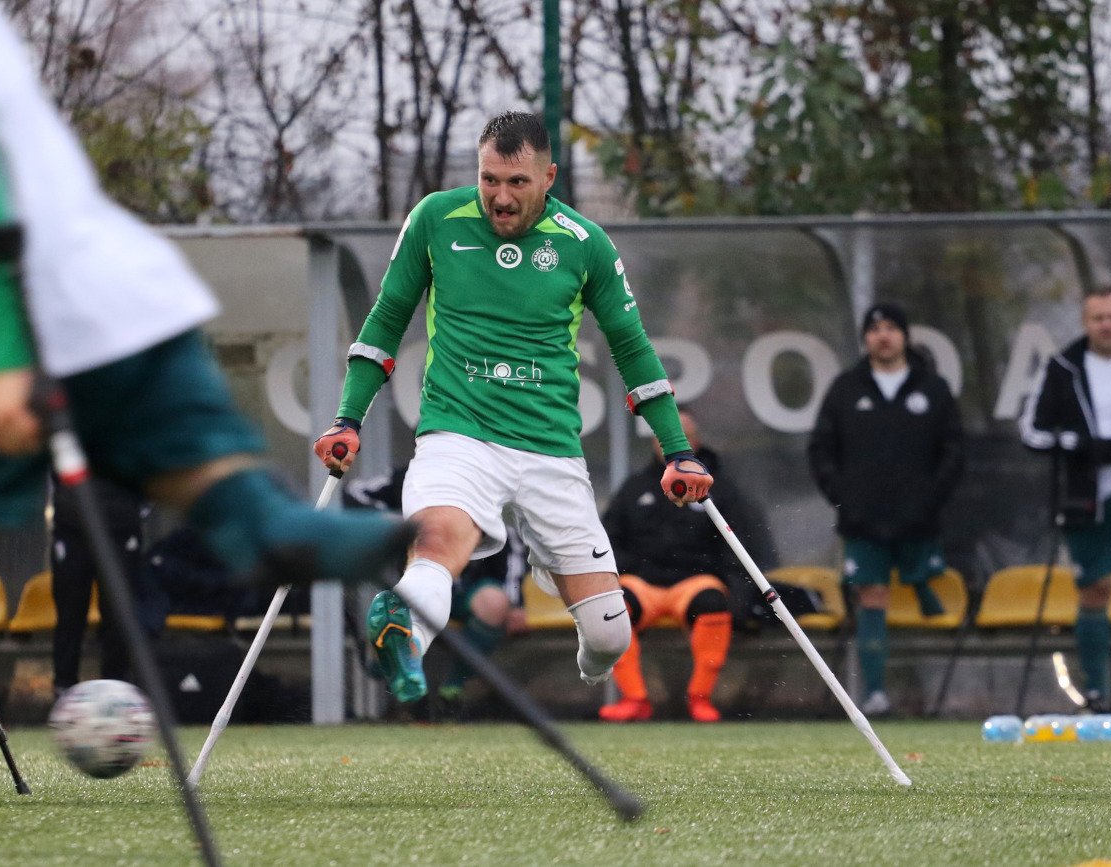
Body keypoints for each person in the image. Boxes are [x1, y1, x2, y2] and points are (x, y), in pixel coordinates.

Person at [0, 4, 410, 862]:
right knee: (217, 490)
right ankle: (275, 523)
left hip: (8, 306)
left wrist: (10, 357)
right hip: (127, 288)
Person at [314, 111, 712, 705]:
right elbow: (385, 322)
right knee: (438, 541)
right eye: (489, 179)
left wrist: (677, 453)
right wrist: (347, 419)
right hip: (458, 434)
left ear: (549, 177)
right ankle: (404, 630)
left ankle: (592, 651)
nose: (500, 197)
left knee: (609, 636)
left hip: (549, 448)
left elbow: (633, 348)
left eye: (517, 183)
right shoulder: (434, 219)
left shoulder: (584, 244)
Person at [807, 302, 963, 716]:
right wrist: (844, 497)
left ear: (905, 336)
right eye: (875, 329)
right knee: (871, 596)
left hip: (919, 520)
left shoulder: (933, 388)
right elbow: (821, 450)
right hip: (863, 521)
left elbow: (954, 450)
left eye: (892, 327)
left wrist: (931, 497)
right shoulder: (846, 388)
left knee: (927, 591)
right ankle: (876, 693)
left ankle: (938, 700)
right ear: (866, 338)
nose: (884, 336)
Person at [1019, 288, 1111, 712]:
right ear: (1087, 323)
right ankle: (1097, 694)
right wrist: (1077, 443)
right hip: (1087, 493)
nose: (1107, 325)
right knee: (1095, 590)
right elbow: (1032, 430)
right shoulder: (1064, 368)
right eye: (1098, 317)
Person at [598, 411, 777, 723]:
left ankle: (700, 698)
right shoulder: (635, 487)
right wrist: (627, 571)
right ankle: (634, 698)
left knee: (713, 604)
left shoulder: (717, 489)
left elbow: (736, 546)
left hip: (695, 582)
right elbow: (608, 538)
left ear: (695, 441)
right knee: (612, 609)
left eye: (679, 435)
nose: (668, 442)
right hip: (642, 583)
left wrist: (736, 591)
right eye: (662, 435)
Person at [343, 468, 529, 713]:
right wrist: (397, 524)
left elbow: (511, 540)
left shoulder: (484, 479)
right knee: (400, 604)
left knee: (493, 602)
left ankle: (448, 689)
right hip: (414, 585)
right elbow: (352, 493)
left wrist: (516, 602)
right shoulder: (410, 476)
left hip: (464, 593)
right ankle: (397, 663)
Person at [50, 475, 147, 696]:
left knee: (119, 614)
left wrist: (134, 507)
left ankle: (115, 691)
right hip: (72, 527)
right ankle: (63, 689)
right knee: (69, 614)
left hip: (120, 527)